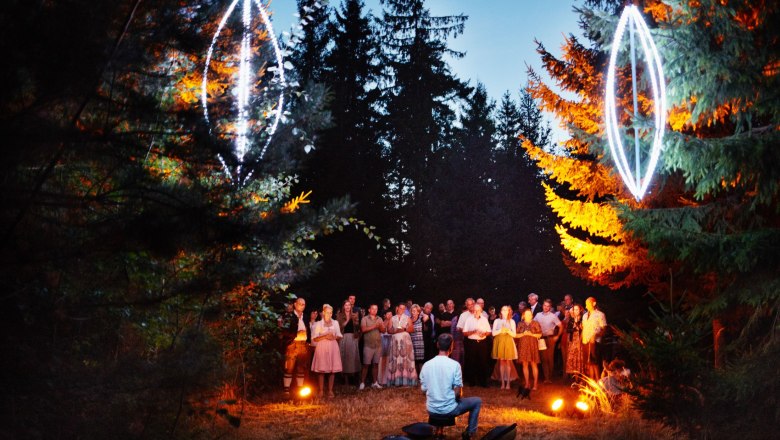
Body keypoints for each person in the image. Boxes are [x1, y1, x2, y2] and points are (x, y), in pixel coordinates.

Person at [420, 334, 482, 440]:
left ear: (437, 345)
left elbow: (423, 390)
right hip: (449, 410)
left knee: (442, 396)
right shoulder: (455, 365)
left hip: (431, 409)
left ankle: (439, 431)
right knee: (477, 401)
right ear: (451, 346)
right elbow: (458, 393)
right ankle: (469, 434)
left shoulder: (426, 365)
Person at [280, 297, 311, 394]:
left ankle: (300, 390)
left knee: (301, 368)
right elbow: (283, 331)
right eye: (300, 304)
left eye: (304, 304)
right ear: (295, 304)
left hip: (303, 345)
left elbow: (308, 329)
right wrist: (296, 335)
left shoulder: (305, 317)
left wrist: (308, 341)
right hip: (292, 344)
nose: (302, 306)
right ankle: (286, 391)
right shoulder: (289, 316)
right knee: (289, 367)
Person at [311, 304, 343, 398]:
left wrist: (334, 337)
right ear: (323, 313)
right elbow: (315, 338)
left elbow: (339, 335)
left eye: (330, 312)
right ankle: (321, 390)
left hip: (333, 346)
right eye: (327, 312)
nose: (329, 314)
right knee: (321, 369)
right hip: (322, 347)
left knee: (332, 370)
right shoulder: (318, 324)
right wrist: (325, 336)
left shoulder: (335, 323)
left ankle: (330, 390)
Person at [385, 303, 418, 386]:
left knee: (405, 359)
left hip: (405, 341)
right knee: (395, 359)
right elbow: (389, 330)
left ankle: (407, 380)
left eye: (403, 309)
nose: (402, 310)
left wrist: (404, 329)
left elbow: (412, 329)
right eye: (400, 308)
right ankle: (395, 380)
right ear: (397, 308)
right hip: (395, 340)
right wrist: (395, 331)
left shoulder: (407, 318)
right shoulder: (392, 318)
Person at [461, 303, 492, 387]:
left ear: (481, 311)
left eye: (477, 310)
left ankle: (483, 382)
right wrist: (473, 331)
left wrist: (484, 333)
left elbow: (489, 332)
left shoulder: (484, 320)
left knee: (483, 362)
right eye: (474, 310)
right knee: (472, 362)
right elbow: (464, 333)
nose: (476, 312)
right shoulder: (469, 319)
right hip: (472, 343)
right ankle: (472, 381)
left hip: (482, 343)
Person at [534, 299, 563, 384]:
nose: (546, 307)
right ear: (542, 306)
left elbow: (561, 326)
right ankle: (546, 378)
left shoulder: (553, 316)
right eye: (544, 305)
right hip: (541, 339)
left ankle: (550, 376)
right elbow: (533, 324)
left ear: (550, 307)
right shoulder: (538, 315)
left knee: (550, 358)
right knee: (543, 358)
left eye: (548, 306)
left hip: (550, 338)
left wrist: (557, 336)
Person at [491, 305, 518, 390]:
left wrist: (508, 330)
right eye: (503, 310)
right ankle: (502, 382)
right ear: (501, 311)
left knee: (508, 362)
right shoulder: (497, 321)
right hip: (499, 341)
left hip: (508, 341)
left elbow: (514, 334)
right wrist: (500, 330)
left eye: (506, 310)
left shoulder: (512, 321)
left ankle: (508, 383)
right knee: (502, 362)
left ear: (509, 312)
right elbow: (493, 333)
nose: (505, 312)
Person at [359, 304, 385, 390]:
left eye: (376, 309)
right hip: (368, 345)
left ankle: (375, 382)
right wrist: (375, 326)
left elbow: (383, 330)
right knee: (366, 364)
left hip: (378, 345)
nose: (374, 310)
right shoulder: (364, 319)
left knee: (375, 364)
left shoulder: (379, 319)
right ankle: (362, 383)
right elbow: (363, 329)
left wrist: (381, 326)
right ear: (369, 310)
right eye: (373, 309)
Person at [515, 309, 542, 390]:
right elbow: (516, 335)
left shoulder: (535, 323)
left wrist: (532, 334)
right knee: (525, 364)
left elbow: (540, 334)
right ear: (523, 315)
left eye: (529, 314)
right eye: (526, 314)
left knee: (534, 364)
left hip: (532, 346)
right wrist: (523, 334)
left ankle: (535, 384)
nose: (528, 316)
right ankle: (527, 383)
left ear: (532, 315)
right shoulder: (520, 323)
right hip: (523, 346)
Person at [582, 297, 607, 379]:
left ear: (594, 303)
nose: (586, 306)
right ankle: (592, 382)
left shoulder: (600, 315)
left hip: (595, 342)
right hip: (586, 341)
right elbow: (584, 328)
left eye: (588, 304)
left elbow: (604, 329)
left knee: (595, 363)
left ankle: (598, 381)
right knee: (589, 364)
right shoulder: (585, 316)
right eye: (586, 304)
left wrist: (596, 335)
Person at [337, 300, 361, 385]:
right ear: (343, 306)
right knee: (344, 358)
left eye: (349, 305)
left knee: (353, 358)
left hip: (353, 337)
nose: (347, 307)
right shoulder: (339, 315)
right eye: (346, 305)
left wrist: (356, 321)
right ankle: (345, 380)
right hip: (344, 337)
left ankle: (353, 379)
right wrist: (348, 319)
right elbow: (339, 327)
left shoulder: (354, 315)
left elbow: (358, 327)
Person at [565, 304, 586, 380]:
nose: (575, 311)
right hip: (573, 341)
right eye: (574, 309)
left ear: (580, 310)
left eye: (577, 309)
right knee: (573, 357)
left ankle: (580, 377)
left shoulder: (582, 319)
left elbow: (583, 329)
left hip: (580, 341)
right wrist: (573, 329)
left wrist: (580, 328)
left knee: (579, 358)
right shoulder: (571, 319)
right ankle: (575, 377)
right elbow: (567, 330)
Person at [378, 310, 394, 386]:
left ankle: (388, 379)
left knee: (389, 360)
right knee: (382, 360)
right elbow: (383, 330)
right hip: (383, 341)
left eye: (391, 314)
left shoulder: (394, 322)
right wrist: (387, 320)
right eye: (388, 314)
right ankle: (381, 380)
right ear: (384, 315)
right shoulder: (382, 322)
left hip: (391, 341)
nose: (390, 315)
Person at [410, 304, 426, 374]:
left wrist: (422, 312)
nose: (413, 312)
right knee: (414, 361)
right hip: (411, 342)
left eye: (414, 311)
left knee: (420, 361)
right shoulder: (409, 319)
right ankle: (415, 377)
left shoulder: (421, 319)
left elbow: (427, 316)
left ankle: (421, 377)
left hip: (420, 342)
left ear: (418, 312)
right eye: (412, 311)